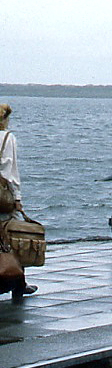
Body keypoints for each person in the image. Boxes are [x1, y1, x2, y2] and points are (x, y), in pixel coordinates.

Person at [0, 103, 35, 299]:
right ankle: (18, 283)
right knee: (12, 237)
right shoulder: (7, 138)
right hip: (3, 196)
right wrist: (17, 198)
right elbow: (10, 172)